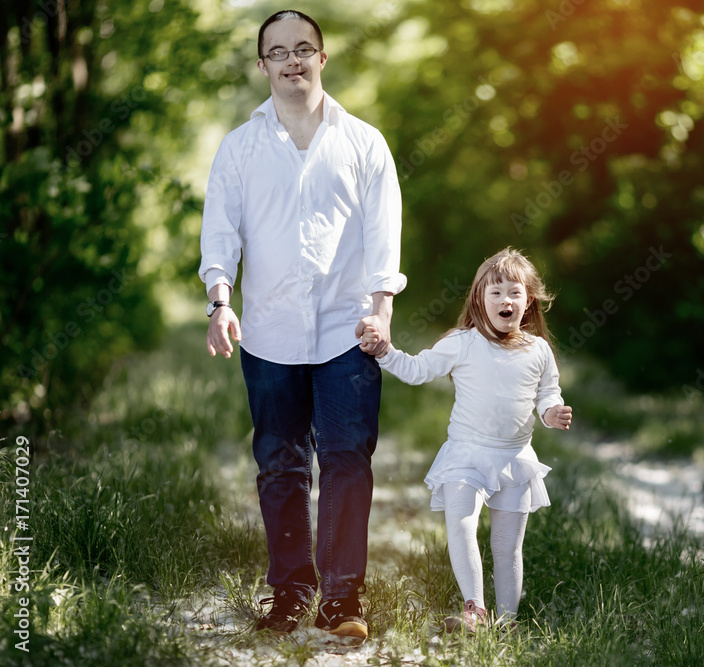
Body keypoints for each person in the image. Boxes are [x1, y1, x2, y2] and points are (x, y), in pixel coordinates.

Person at [198, 9, 405, 642]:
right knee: (281, 464)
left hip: (349, 331)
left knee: (346, 460)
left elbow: (382, 237)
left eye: (304, 48)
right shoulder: (239, 147)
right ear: (262, 65)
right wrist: (219, 300)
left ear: (322, 57)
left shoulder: (364, 142)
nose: (293, 60)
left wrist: (381, 309)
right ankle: (289, 593)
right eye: (278, 51)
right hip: (268, 332)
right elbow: (221, 232)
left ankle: (343, 599)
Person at [362, 248, 573, 633]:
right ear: (479, 299)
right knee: (461, 525)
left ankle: (506, 622)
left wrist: (550, 413)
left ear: (527, 303)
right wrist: (385, 352)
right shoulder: (462, 342)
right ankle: (474, 609)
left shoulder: (538, 350)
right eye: (495, 293)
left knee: (507, 549)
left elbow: (548, 393)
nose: (505, 300)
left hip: (514, 458)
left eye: (514, 292)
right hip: (466, 455)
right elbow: (417, 369)